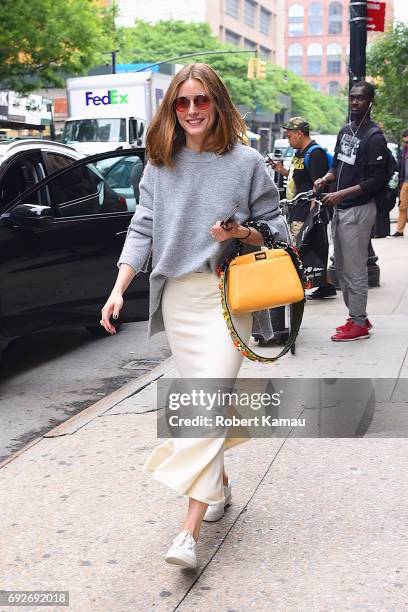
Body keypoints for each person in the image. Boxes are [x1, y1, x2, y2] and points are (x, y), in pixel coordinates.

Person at [100, 63, 288, 569]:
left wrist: (240, 234)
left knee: (208, 402)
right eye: (181, 103)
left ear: (218, 104)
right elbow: (141, 230)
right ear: (171, 108)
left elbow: (278, 231)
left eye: (200, 100)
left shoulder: (247, 162)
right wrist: (119, 289)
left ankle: (186, 534)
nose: (191, 111)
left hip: (227, 297)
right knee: (211, 402)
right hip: (179, 301)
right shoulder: (160, 164)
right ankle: (219, 483)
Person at [314, 81, 388, 342]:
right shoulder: (346, 131)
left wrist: (341, 194)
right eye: (352, 97)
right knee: (343, 267)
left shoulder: (374, 137)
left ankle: (358, 323)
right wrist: (326, 178)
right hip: (340, 208)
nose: (355, 102)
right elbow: (338, 167)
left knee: (355, 269)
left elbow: (375, 181)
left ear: (370, 102)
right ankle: (357, 316)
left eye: (361, 98)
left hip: (358, 210)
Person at [271, 117, 336, 299]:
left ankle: (296, 288)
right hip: (296, 208)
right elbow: (298, 178)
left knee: (297, 249)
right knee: (306, 249)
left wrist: (312, 214)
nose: (288, 139)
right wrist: (280, 170)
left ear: (299, 133)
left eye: (289, 135)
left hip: (306, 212)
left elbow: (318, 185)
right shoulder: (300, 152)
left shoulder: (315, 154)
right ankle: (324, 284)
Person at [393, 128, 408, 237]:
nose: (406, 144)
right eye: (405, 142)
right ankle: (400, 230)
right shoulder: (403, 151)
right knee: (402, 206)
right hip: (405, 182)